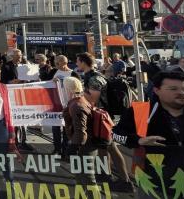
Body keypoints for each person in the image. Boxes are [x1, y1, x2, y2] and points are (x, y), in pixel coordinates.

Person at [113, 71, 184, 196]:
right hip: (153, 187)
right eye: (173, 89)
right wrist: (137, 140)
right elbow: (115, 135)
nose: (181, 92)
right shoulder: (140, 111)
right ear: (157, 90)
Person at [76, 52, 133, 191]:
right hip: (99, 117)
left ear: (83, 62)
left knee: (112, 148)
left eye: (78, 61)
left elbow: (93, 99)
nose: (77, 64)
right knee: (103, 147)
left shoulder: (95, 78)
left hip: (102, 118)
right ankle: (104, 174)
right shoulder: (93, 76)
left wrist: (78, 94)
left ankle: (126, 182)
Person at [62, 76, 97, 186]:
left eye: (64, 87)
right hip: (85, 144)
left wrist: (73, 148)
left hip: (84, 146)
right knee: (82, 176)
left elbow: (81, 132)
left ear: (68, 89)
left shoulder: (76, 105)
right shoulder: (79, 100)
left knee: (87, 178)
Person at [51, 55, 79, 155]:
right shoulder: (53, 72)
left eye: (57, 63)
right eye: (55, 62)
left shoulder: (73, 73)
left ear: (64, 62)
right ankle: (57, 148)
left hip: (68, 104)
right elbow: (46, 84)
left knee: (67, 127)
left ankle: (65, 149)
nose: (55, 64)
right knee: (55, 127)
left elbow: (78, 89)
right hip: (55, 103)